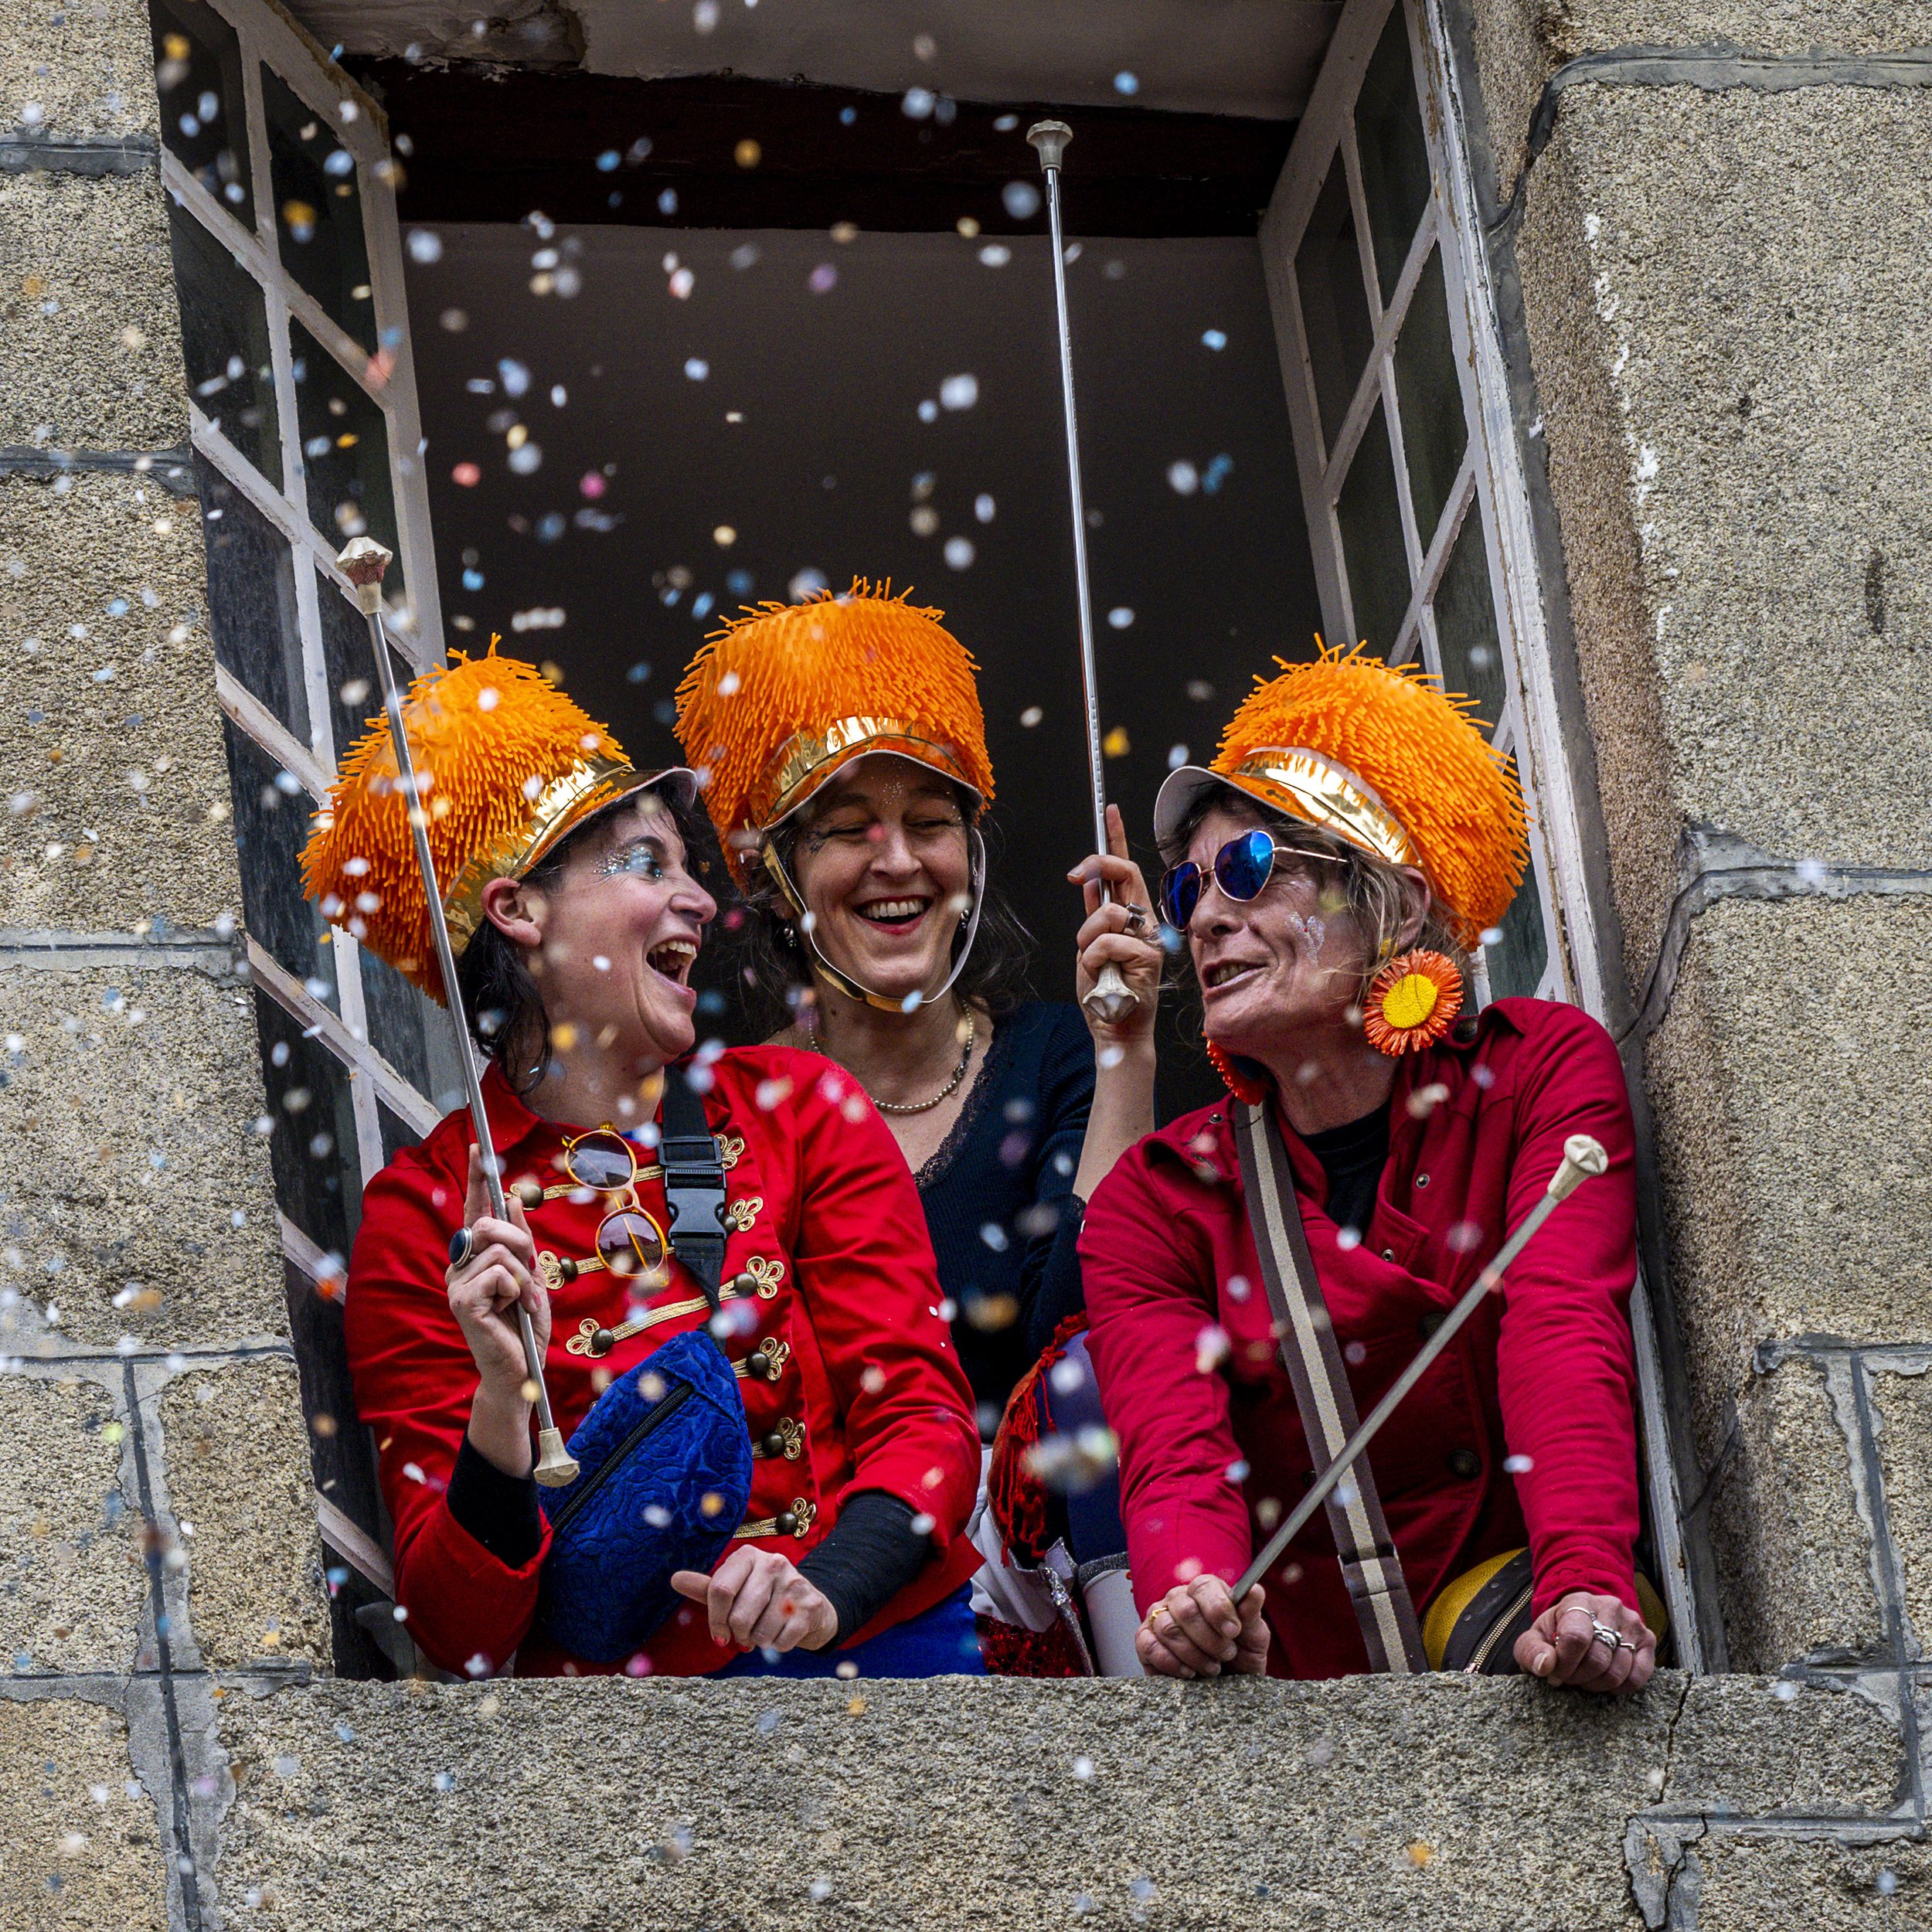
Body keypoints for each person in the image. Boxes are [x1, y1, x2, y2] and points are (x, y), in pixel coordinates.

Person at [307, 644, 982, 1679]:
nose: (702, 902)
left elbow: (924, 1420)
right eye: (645, 865)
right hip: (632, 1751)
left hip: (877, 1648)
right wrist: (501, 1400)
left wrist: (823, 1587)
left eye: (687, 867)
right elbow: (461, 1635)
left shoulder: (797, 1109)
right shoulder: (425, 1214)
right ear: (519, 911)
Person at [1080, 644, 1658, 1693]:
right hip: (1313, 1724)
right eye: (1189, 888)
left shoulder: (1537, 1072)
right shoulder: (1155, 1202)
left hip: (1526, 1663)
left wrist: (1581, 1581)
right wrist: (1196, 1601)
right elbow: (1176, 1455)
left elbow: (1561, 1324)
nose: (1205, 918)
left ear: (1381, 897)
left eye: (1252, 871)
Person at [672, 581, 1164, 1422]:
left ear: (969, 857)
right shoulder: (710, 1113)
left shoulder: (1056, 1055)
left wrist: (1125, 1053)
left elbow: (1084, 1343)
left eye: (930, 821)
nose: (896, 859)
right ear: (777, 879)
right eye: (847, 826)